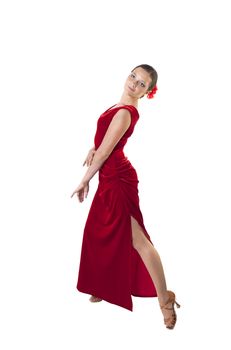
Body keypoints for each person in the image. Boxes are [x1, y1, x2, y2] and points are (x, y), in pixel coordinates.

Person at [71, 64, 181, 329]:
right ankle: (104, 285)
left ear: (147, 92)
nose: (134, 83)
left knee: (137, 240)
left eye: (142, 84)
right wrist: (94, 146)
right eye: (133, 76)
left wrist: (85, 179)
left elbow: (109, 150)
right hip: (110, 176)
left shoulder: (125, 112)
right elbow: (108, 140)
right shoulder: (118, 107)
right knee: (99, 232)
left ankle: (165, 299)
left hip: (117, 180)